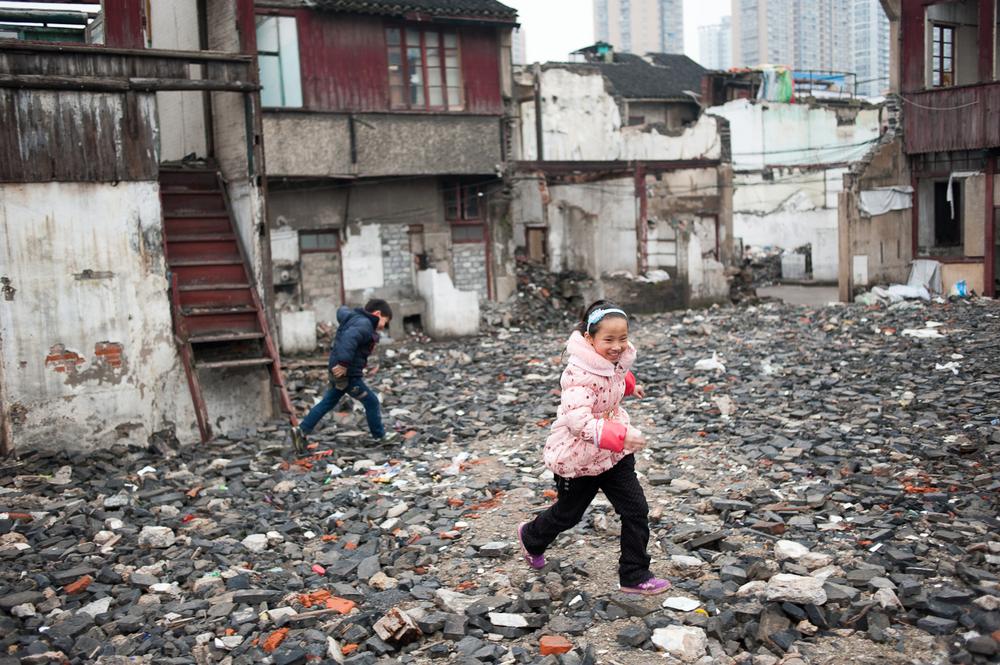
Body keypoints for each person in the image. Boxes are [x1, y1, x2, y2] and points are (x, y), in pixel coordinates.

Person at [516, 300, 670, 595]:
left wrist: (630, 386)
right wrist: (621, 436)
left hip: (614, 455)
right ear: (589, 339)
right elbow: (579, 423)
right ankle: (531, 536)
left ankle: (634, 574)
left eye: (623, 338)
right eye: (609, 340)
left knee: (636, 509)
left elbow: (615, 376)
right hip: (580, 457)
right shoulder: (577, 376)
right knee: (568, 515)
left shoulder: (613, 361)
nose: (617, 346)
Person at [290, 299, 394, 452]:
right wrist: (344, 363)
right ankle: (380, 436)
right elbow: (349, 339)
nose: (384, 326)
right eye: (385, 321)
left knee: (328, 402)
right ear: (377, 313)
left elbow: (342, 312)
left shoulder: (354, 319)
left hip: (339, 372)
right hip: (348, 375)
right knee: (371, 401)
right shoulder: (364, 324)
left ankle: (302, 430)